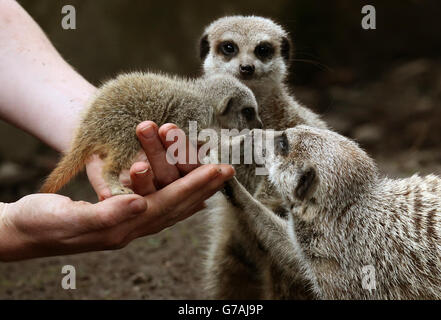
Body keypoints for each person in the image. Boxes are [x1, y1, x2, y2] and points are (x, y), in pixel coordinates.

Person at [0, 0, 234, 261]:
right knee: (128, 143)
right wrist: (7, 226)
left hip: (114, 115)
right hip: (121, 119)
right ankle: (111, 177)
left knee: (137, 142)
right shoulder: (201, 109)